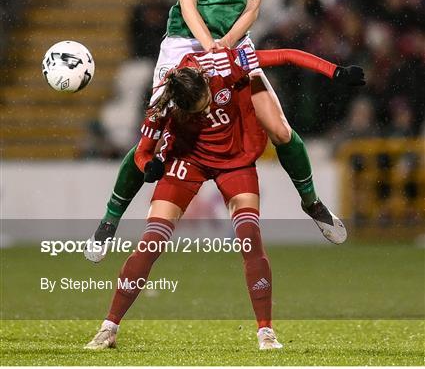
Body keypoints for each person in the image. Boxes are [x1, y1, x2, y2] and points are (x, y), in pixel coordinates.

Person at [87, 0, 362, 249]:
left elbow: (253, 6)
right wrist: (207, 48)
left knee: (280, 127)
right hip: (185, 40)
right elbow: (187, 1)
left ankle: (312, 203)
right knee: (154, 127)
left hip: (233, 41)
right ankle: (109, 221)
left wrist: (227, 46)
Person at [84, 46, 365, 351]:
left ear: (206, 81)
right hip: (187, 161)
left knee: (249, 236)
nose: (206, 112)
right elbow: (141, 152)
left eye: (207, 102)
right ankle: (108, 328)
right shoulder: (164, 104)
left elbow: (284, 56)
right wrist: (148, 167)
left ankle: (266, 333)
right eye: (198, 111)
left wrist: (334, 71)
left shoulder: (224, 64)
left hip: (234, 162)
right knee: (152, 241)